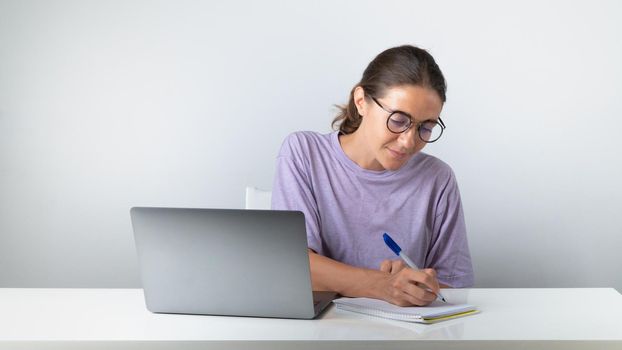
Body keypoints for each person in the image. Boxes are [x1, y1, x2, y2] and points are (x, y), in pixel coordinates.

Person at [271, 45, 474, 307]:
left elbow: (454, 286)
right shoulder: (303, 153)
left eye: (426, 127)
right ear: (361, 101)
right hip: (321, 330)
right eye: (399, 120)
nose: (408, 142)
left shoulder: (438, 178)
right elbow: (292, 266)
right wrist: (383, 285)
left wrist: (419, 287)